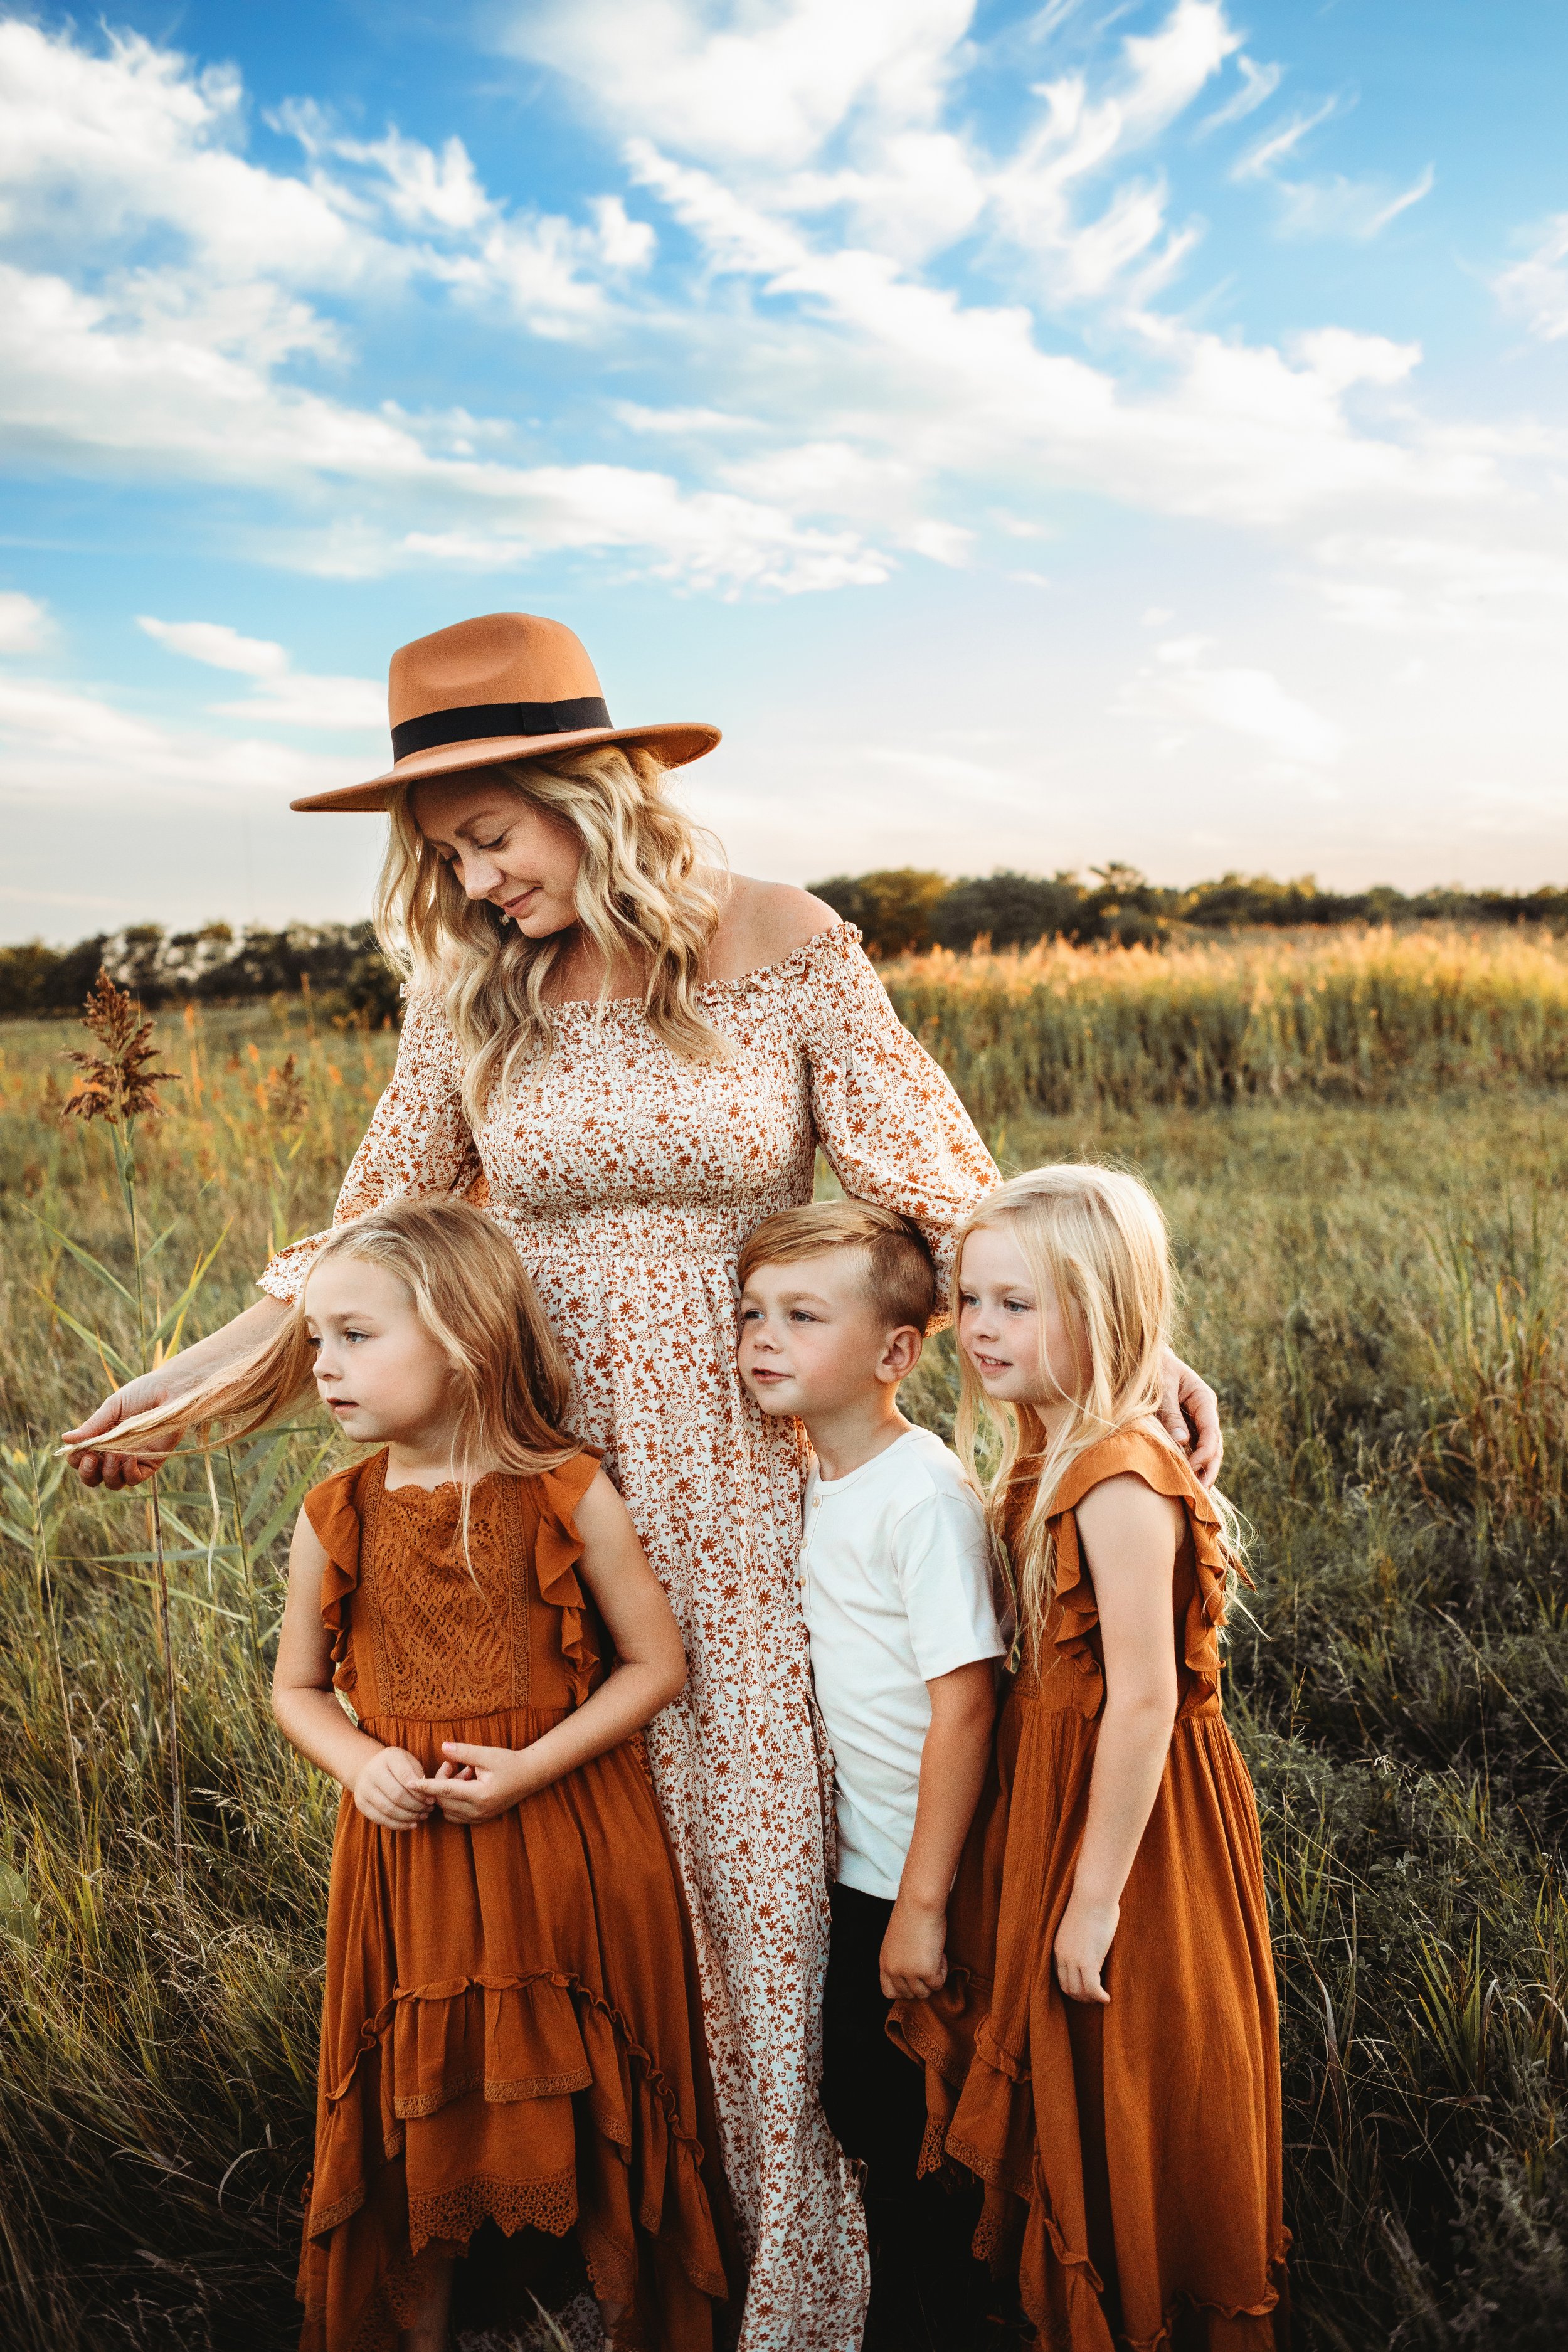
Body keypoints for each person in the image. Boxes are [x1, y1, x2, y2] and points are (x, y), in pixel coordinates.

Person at [63, 610, 1224, 2352]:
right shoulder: (467, 987)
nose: (472, 878)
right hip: (554, 1492)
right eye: (443, 852)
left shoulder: (780, 941)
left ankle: (803, 2282)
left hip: (762, 1484)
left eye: (493, 836)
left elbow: (942, 1178)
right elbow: (363, 1229)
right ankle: (640, 2262)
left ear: (590, 791)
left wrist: (1125, 1349)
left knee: (763, 1874)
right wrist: (181, 1379)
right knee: (607, 1879)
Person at [89, 1197, 738, 2352]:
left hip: (566, 1844)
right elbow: (295, 1689)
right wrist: (360, 1760)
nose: (324, 1368)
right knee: (417, 2112)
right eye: (317, 1341)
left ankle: (622, 2316)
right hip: (412, 1859)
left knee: (589, 2094)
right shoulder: (334, 1512)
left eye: (354, 1336)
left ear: (465, 1339)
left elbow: (657, 1664)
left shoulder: (567, 1491)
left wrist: (532, 1765)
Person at [891, 1165, 1288, 2352]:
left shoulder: (1119, 1476)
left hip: (1135, 1834)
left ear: (1106, 1313)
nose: (979, 1330)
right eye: (971, 1301)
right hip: (1056, 1805)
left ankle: (1146, 2299)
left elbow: (1147, 1700)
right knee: (1071, 2065)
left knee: (1133, 2058)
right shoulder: (1039, 1452)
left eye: (1018, 1304)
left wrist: (1095, 1898)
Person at [735, 1200, 1004, 2351]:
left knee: (912, 2125)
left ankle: (951, 2319)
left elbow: (967, 1699)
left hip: (917, 1871)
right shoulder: (812, 1478)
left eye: (802, 1314)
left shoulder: (921, 1495)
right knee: (859, 2102)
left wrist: (924, 1903)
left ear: (897, 1352)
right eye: (751, 1311)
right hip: (859, 1860)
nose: (763, 1337)